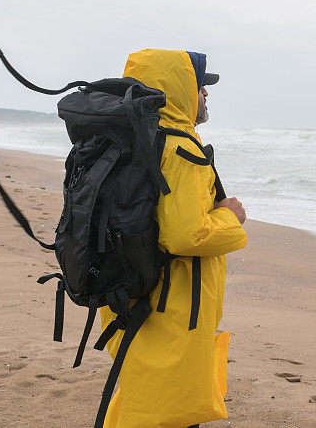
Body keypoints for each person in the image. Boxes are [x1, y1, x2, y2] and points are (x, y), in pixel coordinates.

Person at [98, 49, 248, 428]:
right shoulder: (178, 148)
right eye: (200, 87)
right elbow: (187, 236)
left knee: (141, 398)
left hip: (127, 293)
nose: (206, 95)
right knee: (168, 411)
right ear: (180, 89)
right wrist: (231, 217)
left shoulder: (127, 140)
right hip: (172, 303)